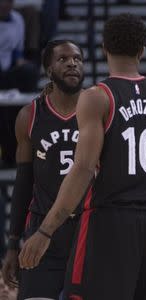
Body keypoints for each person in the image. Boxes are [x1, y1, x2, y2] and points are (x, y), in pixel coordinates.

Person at [17, 13, 146, 300]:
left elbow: (83, 169)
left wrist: (45, 230)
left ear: (104, 48)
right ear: (142, 51)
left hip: (112, 220)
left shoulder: (98, 97)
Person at [1, 39, 84, 300]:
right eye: (63, 59)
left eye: (78, 58)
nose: (72, 63)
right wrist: (13, 245)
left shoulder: (98, 109)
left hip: (87, 229)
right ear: (48, 69)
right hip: (42, 230)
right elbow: (23, 183)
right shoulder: (30, 115)